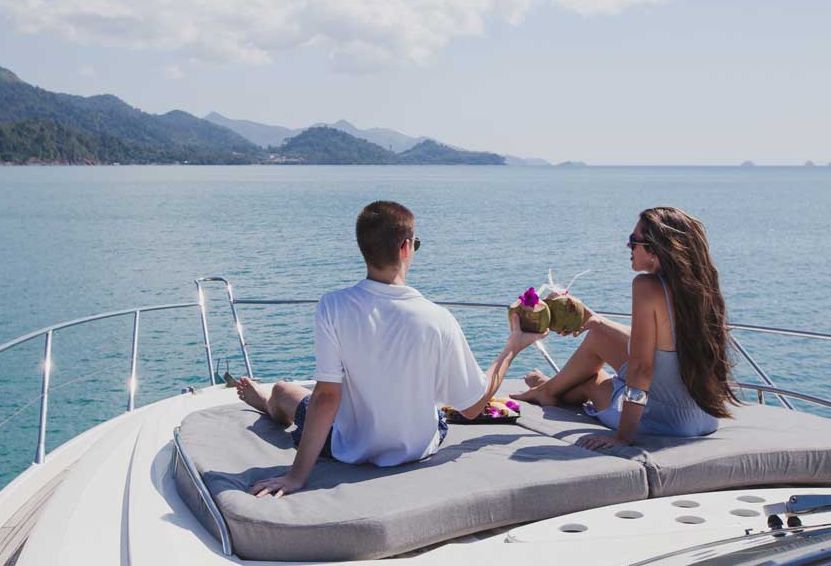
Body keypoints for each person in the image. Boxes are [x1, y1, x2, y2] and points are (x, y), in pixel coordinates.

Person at [237, 200, 547, 497]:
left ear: (364, 249)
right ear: (405, 247)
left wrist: (296, 476)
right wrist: (512, 347)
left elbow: (327, 397)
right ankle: (269, 401)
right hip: (418, 448)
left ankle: (269, 402)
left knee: (283, 390)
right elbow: (472, 406)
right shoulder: (438, 319)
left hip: (348, 448)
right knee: (432, 402)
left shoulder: (333, 306)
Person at [511, 206, 738, 449]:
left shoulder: (646, 286)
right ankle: (549, 388)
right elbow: (663, 344)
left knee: (593, 381)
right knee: (598, 334)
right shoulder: (701, 288)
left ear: (655, 249)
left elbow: (641, 369)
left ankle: (550, 390)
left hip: (666, 422)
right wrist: (596, 320)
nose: (627, 246)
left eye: (633, 241)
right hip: (705, 417)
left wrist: (623, 437)